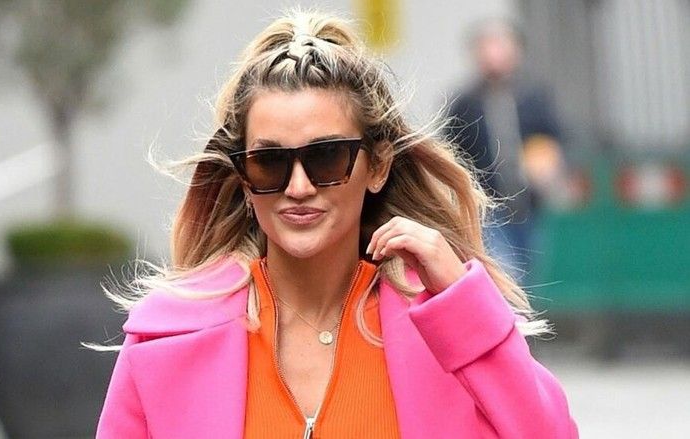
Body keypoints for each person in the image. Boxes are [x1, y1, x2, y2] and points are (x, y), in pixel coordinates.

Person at [96, 10, 577, 439]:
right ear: (243, 178)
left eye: (327, 157)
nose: (298, 186)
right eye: (268, 162)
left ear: (378, 166)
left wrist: (461, 301)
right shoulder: (167, 339)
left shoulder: (442, 333)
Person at [446, 19, 565, 280]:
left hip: (528, 203)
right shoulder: (464, 103)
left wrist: (547, 166)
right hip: (486, 206)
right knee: (504, 271)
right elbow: (450, 151)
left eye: (500, 45)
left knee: (525, 268)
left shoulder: (534, 96)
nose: (494, 54)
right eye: (487, 46)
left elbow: (553, 137)